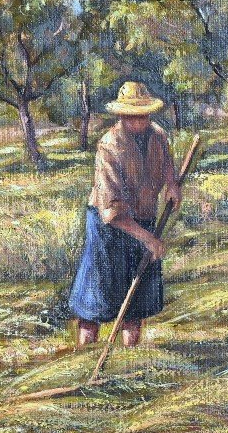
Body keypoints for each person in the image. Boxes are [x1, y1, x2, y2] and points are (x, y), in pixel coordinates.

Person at [68, 81, 181, 348]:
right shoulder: (109, 146)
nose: (139, 121)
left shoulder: (158, 136)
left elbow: (166, 163)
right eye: (133, 115)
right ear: (122, 115)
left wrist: (172, 184)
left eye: (143, 114)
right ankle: (85, 354)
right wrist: (149, 239)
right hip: (108, 228)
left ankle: (131, 356)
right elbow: (112, 212)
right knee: (98, 298)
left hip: (143, 218)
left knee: (137, 297)